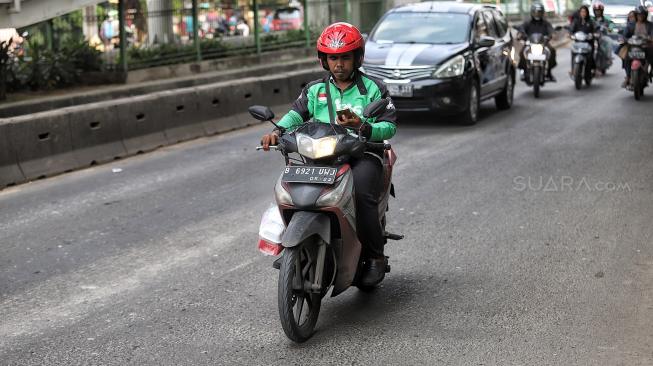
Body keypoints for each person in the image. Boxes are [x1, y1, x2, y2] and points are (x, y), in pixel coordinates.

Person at [260, 22, 398, 286]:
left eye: (345, 57)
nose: (339, 64)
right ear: (324, 60)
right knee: (294, 189)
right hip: (322, 155)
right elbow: (295, 114)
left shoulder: (372, 88)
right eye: (333, 58)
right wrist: (277, 132)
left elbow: (389, 125)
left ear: (357, 58)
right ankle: (297, 245)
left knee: (361, 194)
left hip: (363, 155)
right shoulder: (315, 90)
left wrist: (365, 127)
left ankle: (374, 256)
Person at [519, 3, 558, 81]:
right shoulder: (528, 22)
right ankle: (524, 71)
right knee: (522, 52)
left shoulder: (546, 23)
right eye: (536, 12)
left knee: (552, 51)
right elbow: (521, 29)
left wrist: (552, 34)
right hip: (530, 44)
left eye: (539, 12)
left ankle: (549, 72)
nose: (537, 14)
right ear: (532, 12)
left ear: (542, 13)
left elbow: (551, 30)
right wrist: (520, 34)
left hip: (543, 44)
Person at [621, 5, 653, 87]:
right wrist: (625, 39)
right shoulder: (631, 25)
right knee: (626, 57)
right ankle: (628, 76)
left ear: (645, 15)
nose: (640, 16)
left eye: (642, 14)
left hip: (647, 47)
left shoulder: (650, 25)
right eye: (638, 15)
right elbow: (624, 35)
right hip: (633, 47)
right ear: (636, 15)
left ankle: (649, 71)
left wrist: (649, 38)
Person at [570, 5, 597, 72]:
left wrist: (594, 34)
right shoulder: (576, 21)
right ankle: (573, 70)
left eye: (584, 12)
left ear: (587, 13)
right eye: (582, 12)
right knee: (573, 53)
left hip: (588, 43)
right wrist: (570, 34)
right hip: (578, 43)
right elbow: (571, 30)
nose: (583, 13)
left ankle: (590, 70)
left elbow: (595, 30)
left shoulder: (591, 22)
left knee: (590, 57)